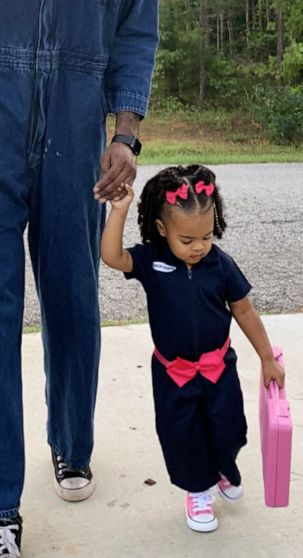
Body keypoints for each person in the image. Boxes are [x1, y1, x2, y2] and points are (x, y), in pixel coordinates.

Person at [0, 1, 160, 555]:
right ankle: (0, 508)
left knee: (72, 298)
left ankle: (72, 443)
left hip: (77, 112)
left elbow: (135, 25)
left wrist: (126, 132)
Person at [100, 164, 285, 533]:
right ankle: (198, 491)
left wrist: (267, 358)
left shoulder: (221, 265)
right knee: (183, 434)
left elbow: (244, 310)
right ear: (163, 229)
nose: (199, 247)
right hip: (174, 373)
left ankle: (222, 470)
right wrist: (118, 210)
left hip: (219, 369)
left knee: (229, 428)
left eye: (206, 236)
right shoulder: (151, 261)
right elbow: (112, 257)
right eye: (187, 240)